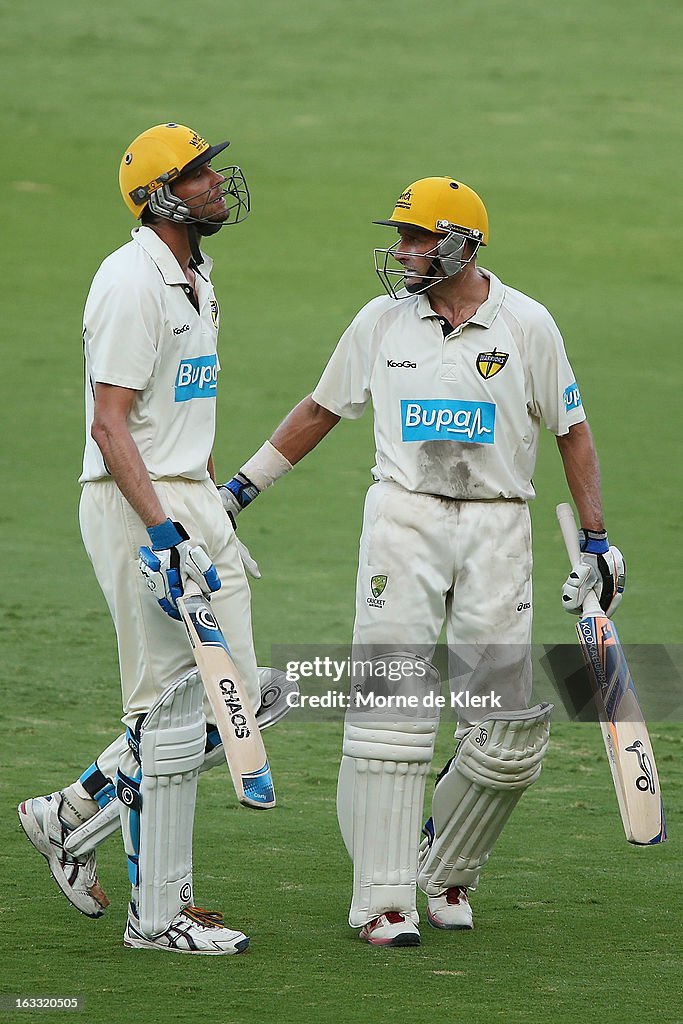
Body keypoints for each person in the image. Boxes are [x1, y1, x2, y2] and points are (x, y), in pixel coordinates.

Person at [215, 175, 626, 947]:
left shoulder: (528, 324)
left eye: (416, 238)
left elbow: (571, 430)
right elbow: (320, 409)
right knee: (391, 712)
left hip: (499, 526)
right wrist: (238, 491)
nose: (401, 251)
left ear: (462, 244)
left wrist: (598, 541)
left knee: (501, 727)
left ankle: (447, 874)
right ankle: (381, 900)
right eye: (399, 237)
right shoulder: (380, 321)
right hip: (402, 520)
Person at [17, 123, 277, 955]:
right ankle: (156, 916)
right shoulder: (129, 281)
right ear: (157, 195)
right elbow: (109, 424)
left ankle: (70, 814)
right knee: (168, 717)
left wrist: (205, 514)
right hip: (140, 506)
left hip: (190, 498)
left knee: (251, 696)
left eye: (209, 170)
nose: (213, 183)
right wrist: (163, 534)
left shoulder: (195, 274)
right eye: (195, 174)